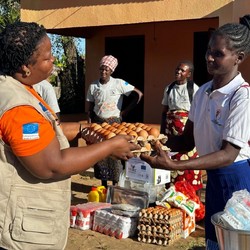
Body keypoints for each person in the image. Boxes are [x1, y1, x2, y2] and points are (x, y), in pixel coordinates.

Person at [0, 21, 139, 250]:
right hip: (23, 230)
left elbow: (44, 132)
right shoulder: (19, 108)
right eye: (47, 58)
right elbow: (51, 165)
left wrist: (85, 131)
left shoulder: (19, 88)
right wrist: (109, 147)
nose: (53, 61)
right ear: (26, 66)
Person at [141, 14, 250, 250]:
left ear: (238, 58)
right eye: (209, 51)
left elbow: (228, 154)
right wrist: (151, 143)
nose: (209, 57)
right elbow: (186, 140)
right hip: (214, 178)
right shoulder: (202, 93)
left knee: (234, 243)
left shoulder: (241, 96)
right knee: (214, 239)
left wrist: (175, 166)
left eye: (218, 53)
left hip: (236, 180)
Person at [86, 55, 143, 187]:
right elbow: (89, 108)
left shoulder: (118, 83)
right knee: (100, 156)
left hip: (114, 123)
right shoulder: (93, 86)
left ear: (112, 71)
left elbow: (138, 94)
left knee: (115, 156)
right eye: (102, 69)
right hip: (98, 123)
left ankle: (116, 186)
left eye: (107, 69)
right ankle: (104, 186)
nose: (104, 72)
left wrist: (125, 112)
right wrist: (90, 124)